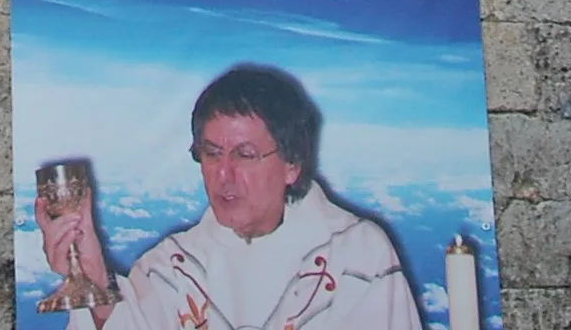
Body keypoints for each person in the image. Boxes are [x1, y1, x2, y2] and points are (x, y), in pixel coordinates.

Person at [34, 63, 421, 330]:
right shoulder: (171, 268)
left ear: (292, 164)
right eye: (211, 153)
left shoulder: (356, 255)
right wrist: (94, 279)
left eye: (245, 155)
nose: (224, 174)